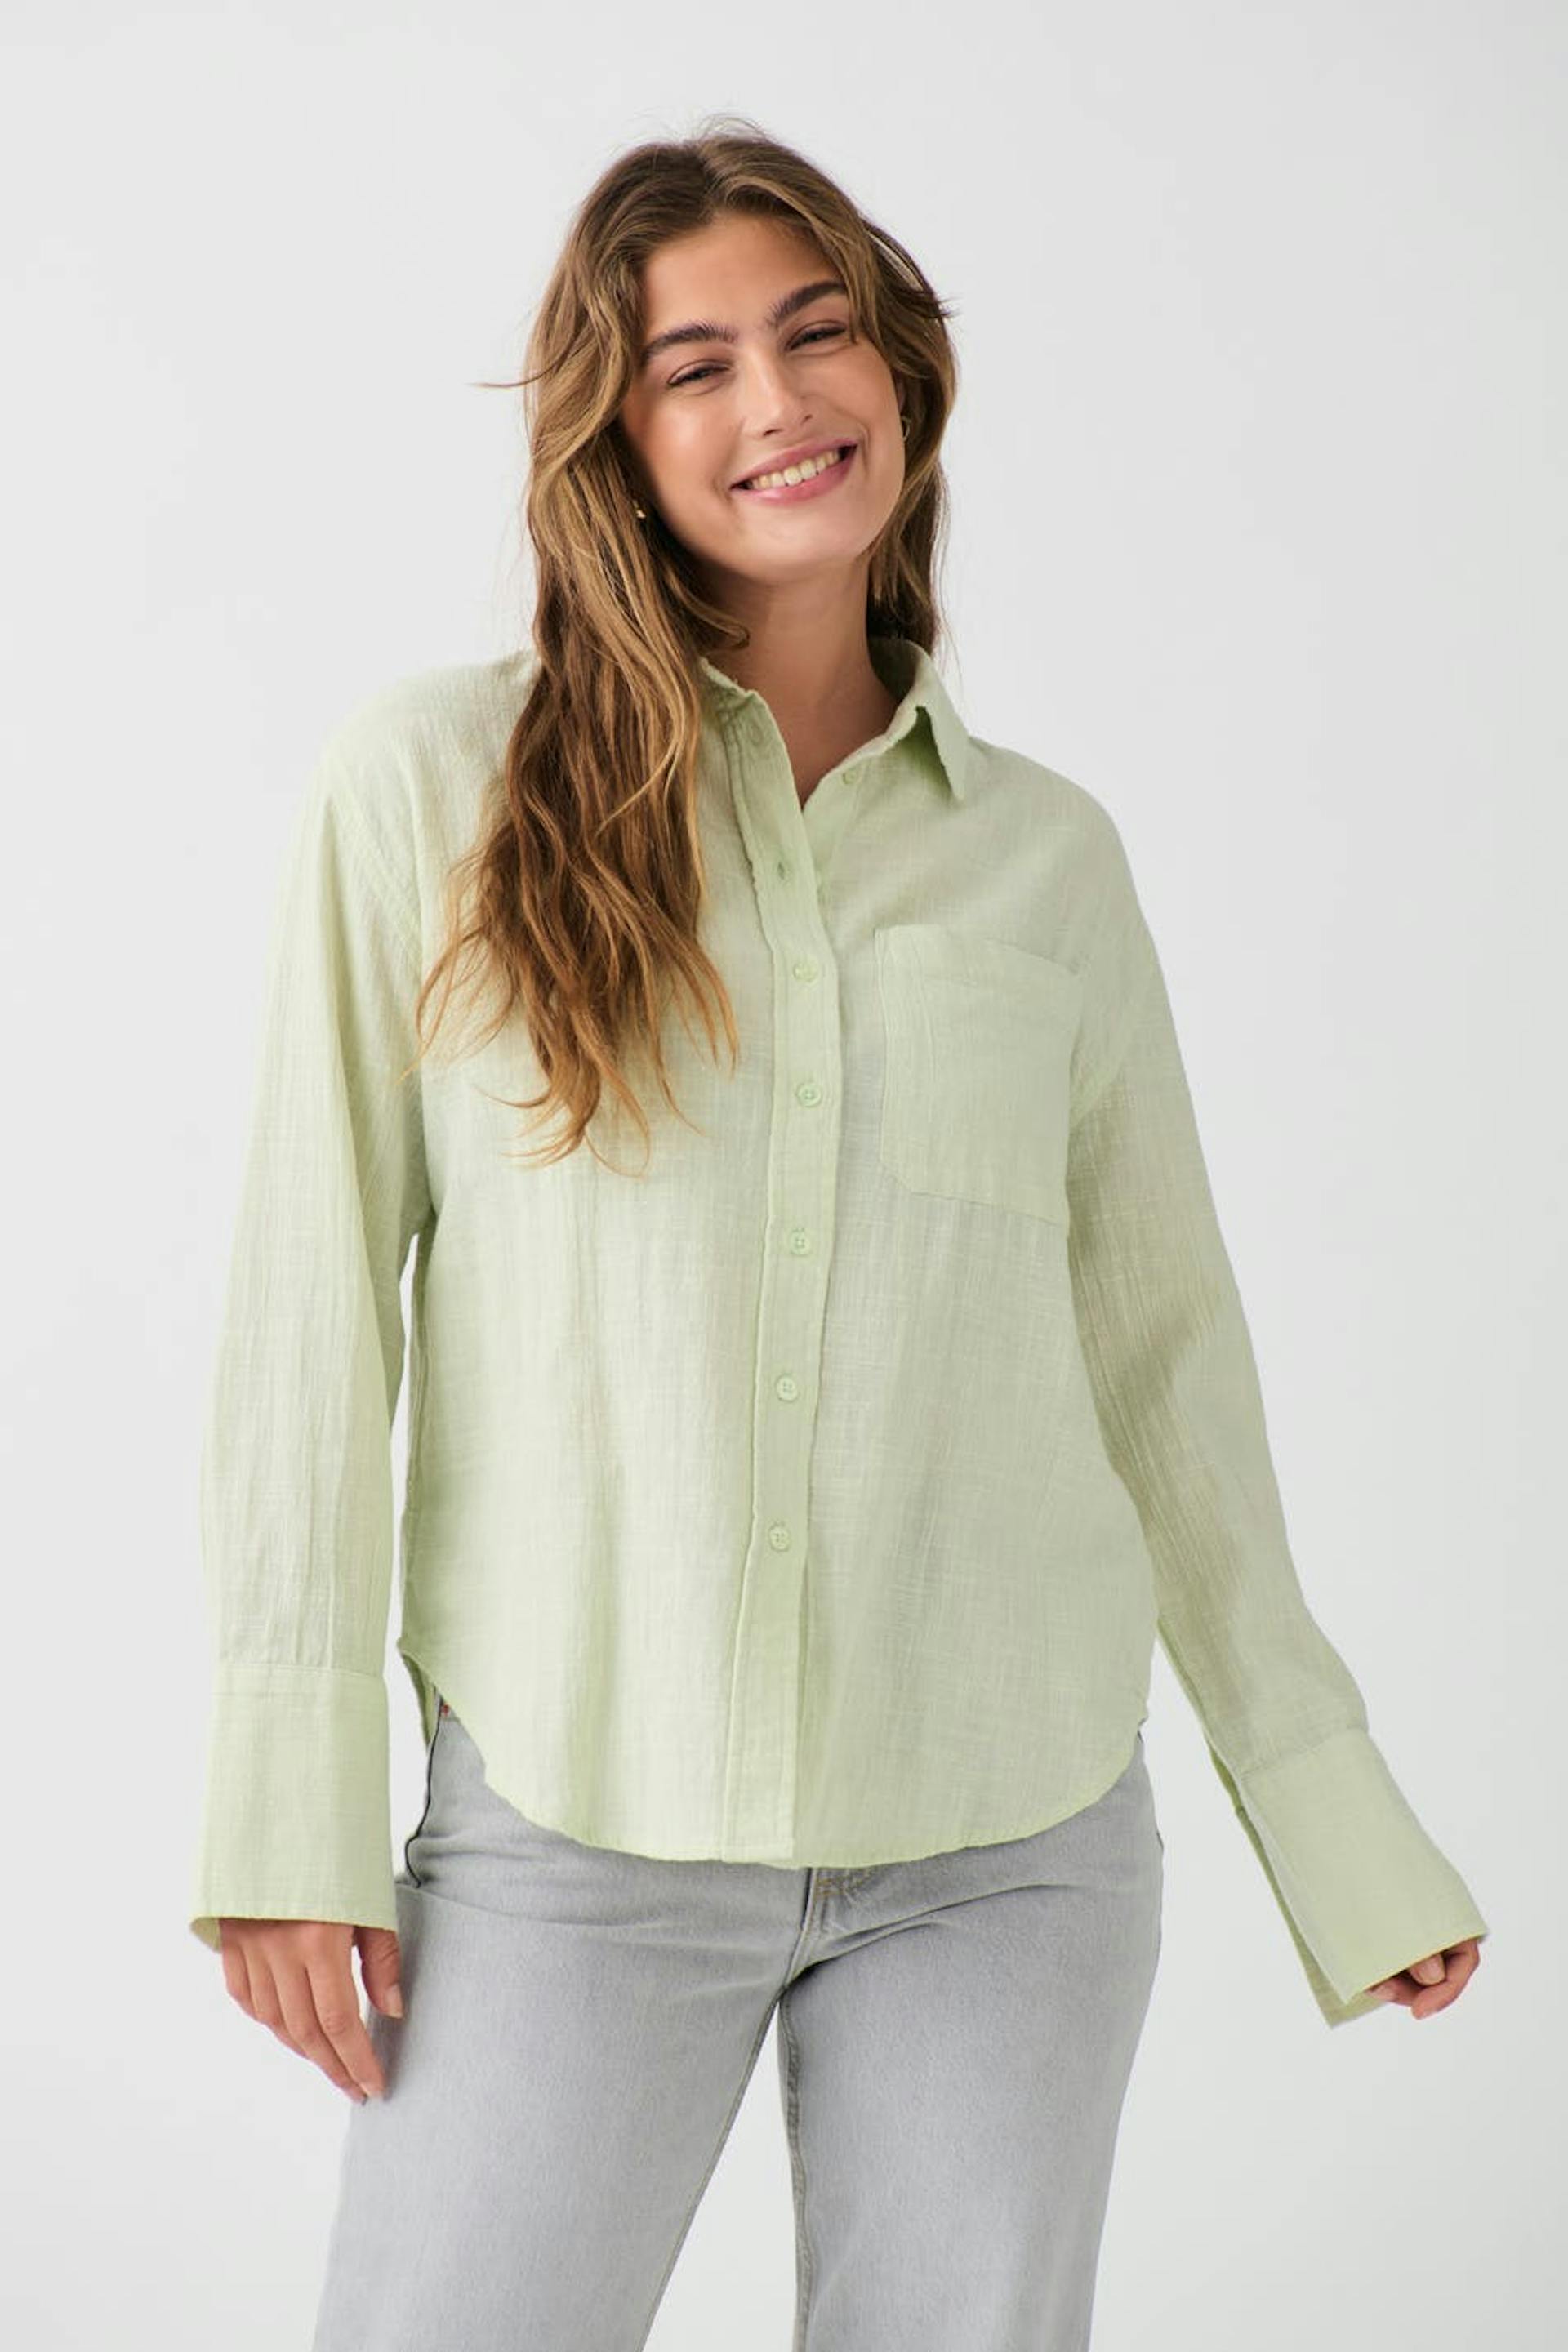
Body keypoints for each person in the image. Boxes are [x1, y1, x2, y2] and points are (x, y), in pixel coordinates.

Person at [189, 118, 1487, 2350]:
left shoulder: (1049, 865)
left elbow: (1163, 1357)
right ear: (615, 439)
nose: (779, 401)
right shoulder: (427, 793)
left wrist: (1330, 1813)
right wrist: (283, 1816)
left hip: (1008, 1839)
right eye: (696, 365)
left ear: (904, 369)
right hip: (575, 1811)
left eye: (819, 334)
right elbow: (314, 1314)